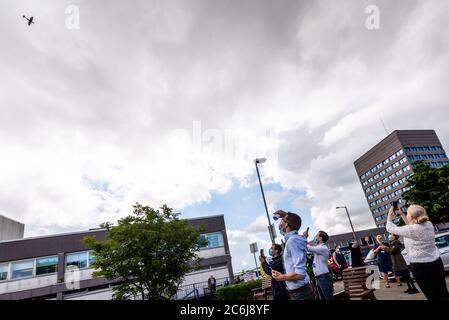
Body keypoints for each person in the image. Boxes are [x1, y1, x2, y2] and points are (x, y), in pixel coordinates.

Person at [386, 204, 449, 300]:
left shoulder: (411, 230)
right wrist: (402, 214)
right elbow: (411, 226)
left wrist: (390, 214)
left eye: (408, 213)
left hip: (421, 267)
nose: (406, 214)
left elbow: (390, 228)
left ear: (410, 217)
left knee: (431, 294)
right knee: (443, 291)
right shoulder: (429, 224)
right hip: (436, 263)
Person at [271, 211, 314, 300]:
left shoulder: (292, 241)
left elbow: (300, 274)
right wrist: (285, 215)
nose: (280, 223)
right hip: (298, 292)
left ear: (286, 225)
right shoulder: (292, 238)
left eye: (282, 220)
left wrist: (282, 277)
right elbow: (285, 229)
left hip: (301, 293)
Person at [306, 230, 334, 300]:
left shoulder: (323, 248)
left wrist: (305, 238)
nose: (315, 237)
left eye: (317, 235)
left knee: (328, 298)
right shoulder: (318, 248)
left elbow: (309, 248)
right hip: (319, 277)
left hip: (323, 277)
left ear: (320, 238)